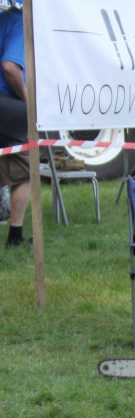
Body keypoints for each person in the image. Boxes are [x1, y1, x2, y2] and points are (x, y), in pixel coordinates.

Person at [0, 0, 29, 249]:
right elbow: (10, 67)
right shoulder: (19, 21)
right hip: (7, 103)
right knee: (26, 169)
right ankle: (15, 237)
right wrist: (29, 101)